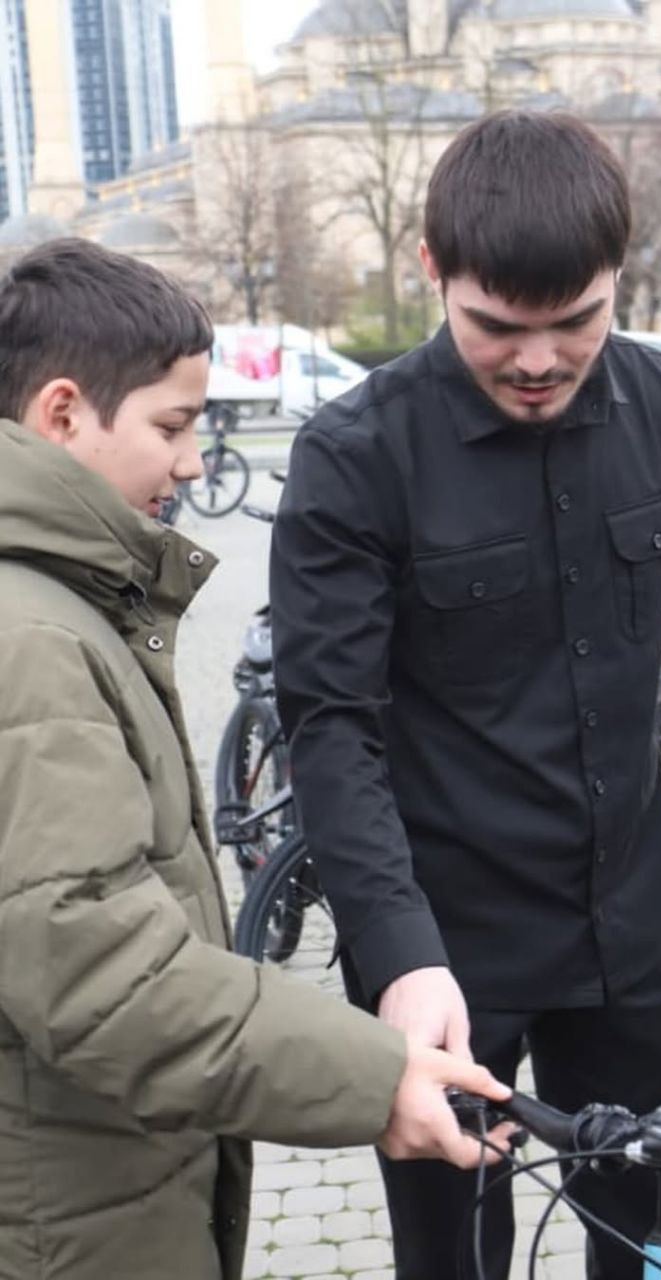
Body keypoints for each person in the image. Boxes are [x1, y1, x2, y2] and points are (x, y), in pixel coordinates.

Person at [270, 110, 661, 1279]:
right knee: (454, 1264)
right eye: (496, 327)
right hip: (446, 955)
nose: (536, 359)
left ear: (618, 276)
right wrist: (396, 954)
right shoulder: (353, 454)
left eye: (574, 321)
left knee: (644, 1249)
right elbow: (331, 731)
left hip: (629, 938)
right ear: (431, 268)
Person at [0, 238, 511, 1280]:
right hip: (72, 1213)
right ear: (61, 414)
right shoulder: (31, 639)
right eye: (172, 426)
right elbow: (99, 970)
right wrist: (372, 1074)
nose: (192, 463)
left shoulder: (58, 604)